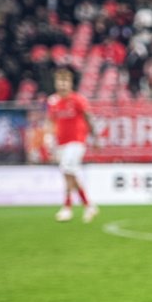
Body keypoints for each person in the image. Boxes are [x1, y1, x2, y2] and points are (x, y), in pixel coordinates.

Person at [46, 67, 98, 222]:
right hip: (61, 142)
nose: (62, 85)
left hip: (77, 141)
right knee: (70, 173)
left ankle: (67, 207)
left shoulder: (78, 99)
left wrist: (95, 137)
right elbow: (50, 120)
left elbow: (89, 117)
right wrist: (49, 138)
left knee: (67, 170)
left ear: (70, 83)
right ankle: (88, 205)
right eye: (59, 81)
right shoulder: (53, 101)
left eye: (65, 81)